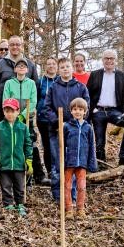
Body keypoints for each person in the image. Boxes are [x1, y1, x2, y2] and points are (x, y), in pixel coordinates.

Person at [42, 57, 89, 201]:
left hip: (75, 132)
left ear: (72, 68)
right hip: (56, 130)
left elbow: (86, 106)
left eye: (67, 66)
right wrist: (58, 122)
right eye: (62, 67)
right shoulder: (53, 87)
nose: (65, 69)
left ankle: (72, 196)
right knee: (57, 163)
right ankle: (58, 195)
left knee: (72, 163)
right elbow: (47, 107)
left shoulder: (80, 87)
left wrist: (77, 122)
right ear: (58, 70)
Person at [87, 49, 124, 165]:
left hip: (115, 112)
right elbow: (87, 93)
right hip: (98, 111)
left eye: (111, 58)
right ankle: (100, 162)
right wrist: (91, 110)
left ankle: (123, 155)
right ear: (102, 60)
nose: (109, 61)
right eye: (106, 58)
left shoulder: (122, 75)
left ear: (115, 60)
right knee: (99, 141)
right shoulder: (95, 74)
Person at [0, 98, 32, 217]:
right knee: (6, 185)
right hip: (4, 163)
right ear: (3, 112)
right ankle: (8, 204)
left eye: (12, 111)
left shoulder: (23, 128)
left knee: (20, 186)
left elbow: (28, 144)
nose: (10, 114)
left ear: (18, 111)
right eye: (7, 111)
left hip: (19, 163)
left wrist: (28, 160)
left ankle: (20, 204)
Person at [62, 97, 97, 219]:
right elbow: (61, 145)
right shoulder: (66, 126)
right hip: (69, 162)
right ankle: (69, 209)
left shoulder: (88, 128)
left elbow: (92, 146)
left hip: (82, 162)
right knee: (67, 186)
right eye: (75, 109)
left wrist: (92, 163)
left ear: (85, 112)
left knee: (81, 186)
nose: (77, 112)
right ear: (71, 111)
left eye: (80, 109)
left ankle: (80, 209)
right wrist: (61, 161)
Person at [0, 35, 39, 119]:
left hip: (25, 115)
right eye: (12, 44)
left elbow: (36, 87)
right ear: (8, 46)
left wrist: (27, 112)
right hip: (5, 112)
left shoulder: (30, 65)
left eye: (18, 44)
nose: (15, 47)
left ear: (22, 46)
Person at [36, 56, 58, 185]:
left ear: (56, 66)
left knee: (56, 144)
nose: (51, 66)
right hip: (43, 118)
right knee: (47, 145)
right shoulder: (41, 81)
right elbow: (38, 98)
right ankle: (50, 171)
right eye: (48, 64)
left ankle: (58, 168)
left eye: (53, 64)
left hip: (56, 118)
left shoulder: (60, 80)